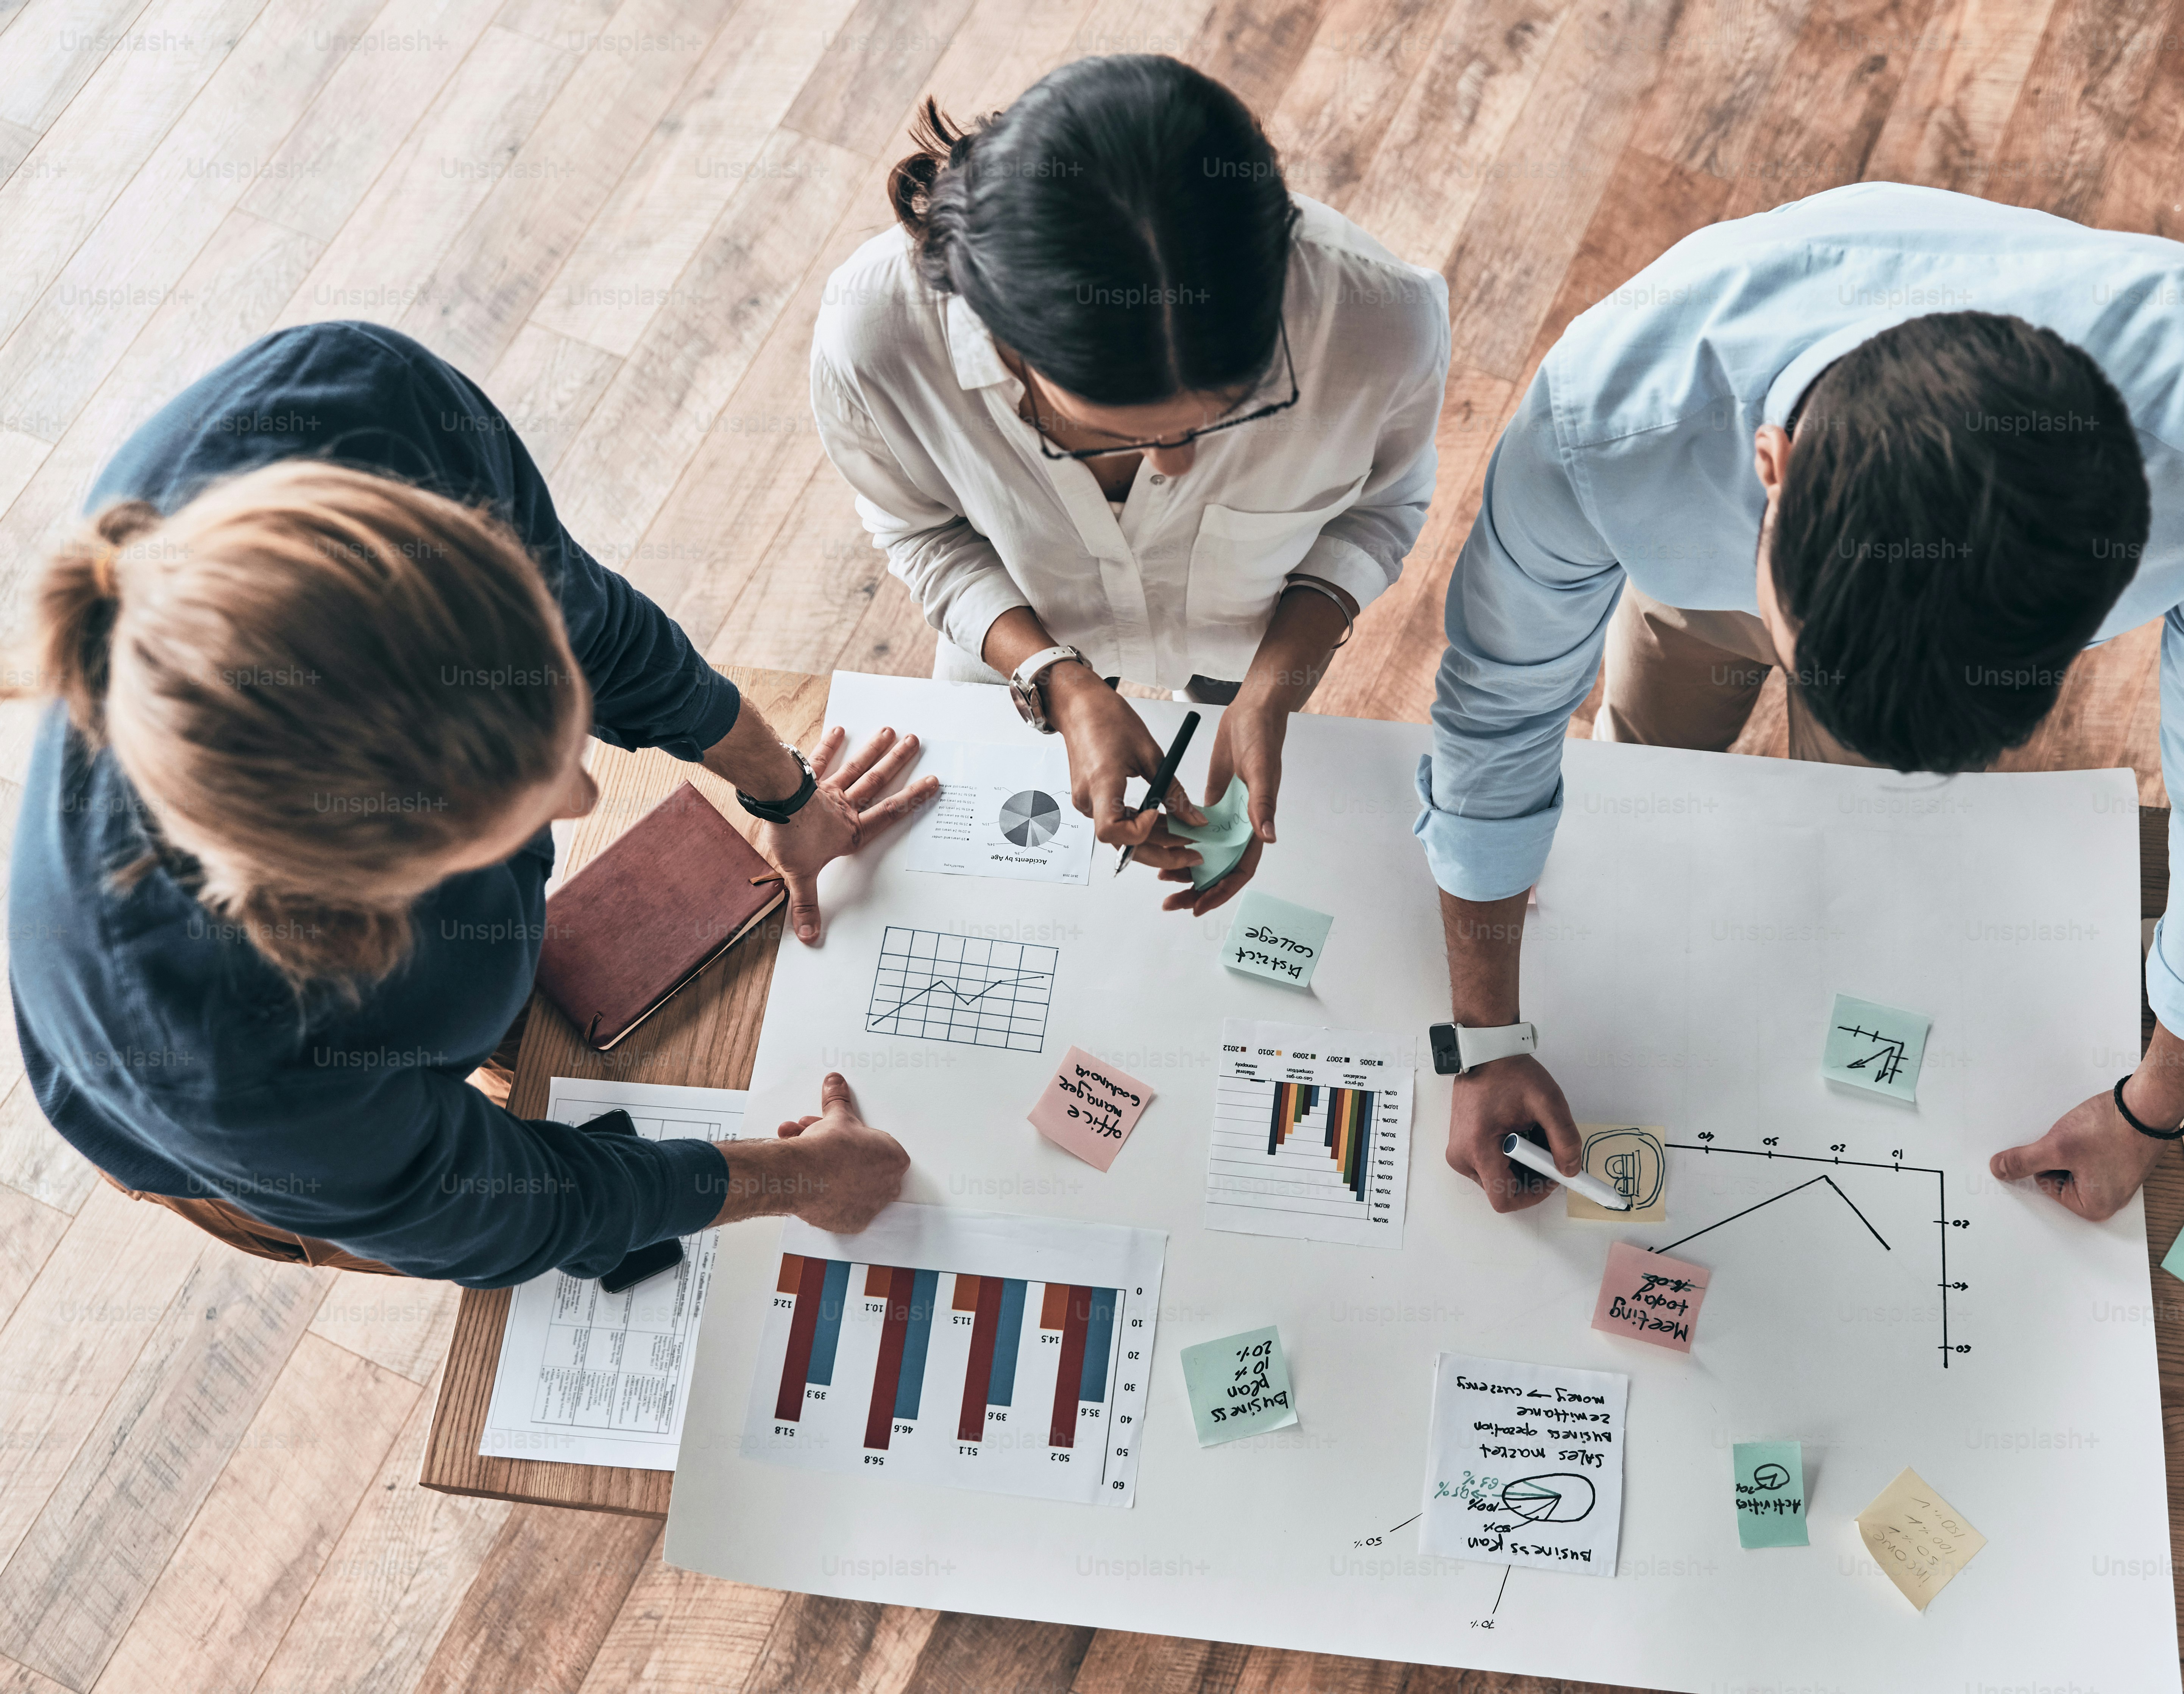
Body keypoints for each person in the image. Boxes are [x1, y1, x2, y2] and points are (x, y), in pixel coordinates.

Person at [1416, 182, 2184, 1221]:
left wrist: (2154, 1109)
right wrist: (1485, 1040)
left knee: (1861, 840)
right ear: (1767, 471)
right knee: (1634, 755)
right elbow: (1495, 718)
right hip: (1692, 568)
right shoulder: (1607, 420)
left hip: (1873, 596)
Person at [8, 321, 938, 1285]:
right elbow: (506, 1209)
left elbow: (605, 632)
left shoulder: (370, 405)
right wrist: (797, 1178)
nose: (584, 796)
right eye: (516, 805)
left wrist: (781, 787)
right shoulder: (227, 1068)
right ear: (374, 884)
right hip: (246, 1122)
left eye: (559, 721)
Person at [810, 53, 1448, 913]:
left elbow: (1381, 506)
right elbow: (923, 532)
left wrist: (1275, 684)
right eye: (1109, 429)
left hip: (1250, 637)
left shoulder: (1379, 325)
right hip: (1009, 641)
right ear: (997, 330)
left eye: (1224, 415)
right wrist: (1055, 679)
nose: (1177, 465)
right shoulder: (875, 339)